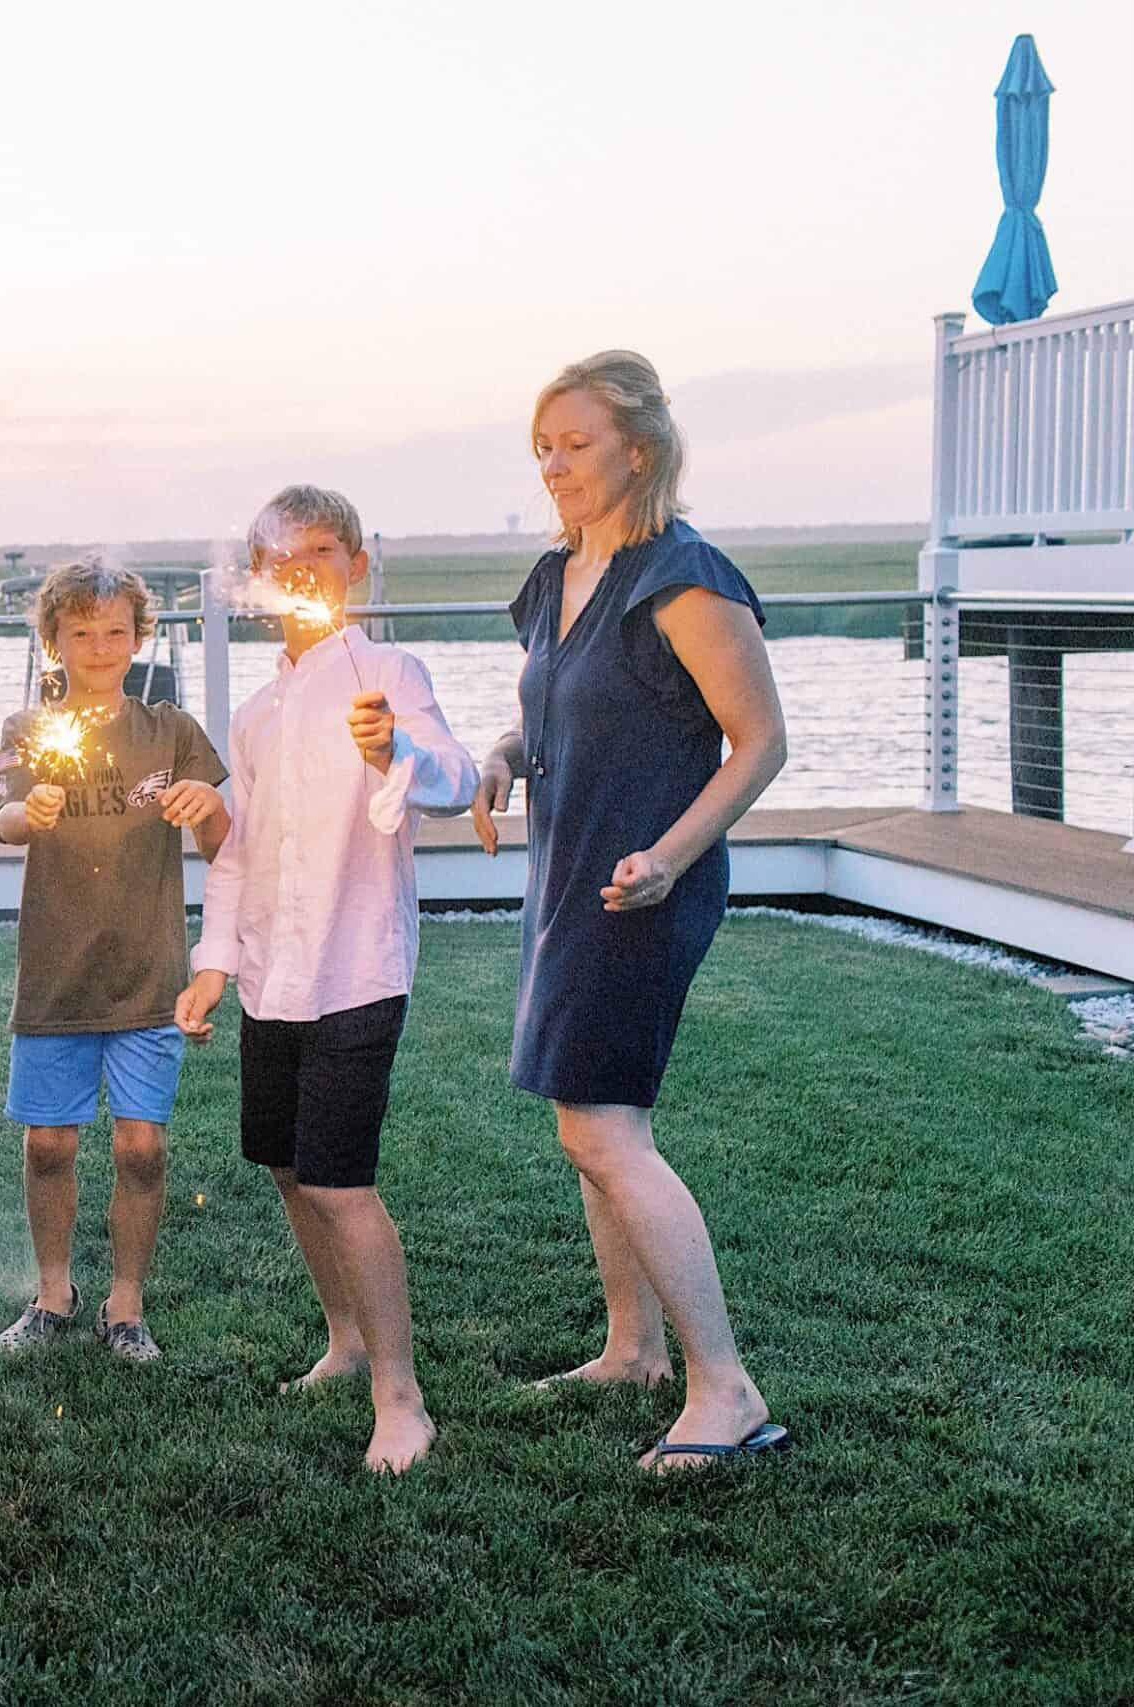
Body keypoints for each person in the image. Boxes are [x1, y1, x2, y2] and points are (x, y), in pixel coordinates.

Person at [470, 351, 791, 1470]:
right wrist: (506, 754)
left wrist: (665, 856)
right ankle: (631, 1349)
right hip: (566, 879)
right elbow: (557, 707)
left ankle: (727, 1390)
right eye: (541, 447)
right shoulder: (556, 575)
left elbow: (759, 744)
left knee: (602, 1128)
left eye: (576, 444)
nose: (554, 466)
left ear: (638, 450)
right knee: (587, 1121)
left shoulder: (684, 576)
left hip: (641, 887)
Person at [175, 487, 476, 1473]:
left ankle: (402, 1396)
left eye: (318, 551)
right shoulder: (256, 717)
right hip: (271, 980)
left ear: (354, 562)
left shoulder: (388, 673)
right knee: (286, 1166)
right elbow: (238, 855)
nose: (299, 569)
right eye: (279, 557)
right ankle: (344, 1341)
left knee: (343, 1182)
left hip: (357, 969)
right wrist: (214, 965)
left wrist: (396, 750)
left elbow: (457, 777)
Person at [0, 560, 228, 1362]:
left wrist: (211, 808)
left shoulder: (171, 732)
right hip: (56, 975)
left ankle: (126, 1305)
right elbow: (4, 820)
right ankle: (53, 1292)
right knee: (50, 1144)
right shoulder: (30, 731)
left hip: (148, 975)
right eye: (81, 632)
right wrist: (33, 807)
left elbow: (223, 844)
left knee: (142, 1148)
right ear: (52, 639)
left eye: (116, 630)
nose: (99, 646)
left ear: (139, 635)